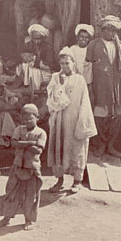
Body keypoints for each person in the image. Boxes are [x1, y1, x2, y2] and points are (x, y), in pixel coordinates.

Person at [46, 53, 97, 193]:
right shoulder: (55, 77)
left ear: (73, 63)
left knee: (77, 148)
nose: (65, 66)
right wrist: (60, 85)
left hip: (75, 120)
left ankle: (77, 181)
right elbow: (52, 99)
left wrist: (83, 122)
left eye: (67, 63)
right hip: (59, 120)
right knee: (59, 148)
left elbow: (84, 102)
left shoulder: (79, 80)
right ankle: (60, 180)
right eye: (62, 63)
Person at [84, 15, 121, 158]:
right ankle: (101, 145)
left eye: (114, 31)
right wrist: (89, 87)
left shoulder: (120, 45)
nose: (112, 33)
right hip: (100, 87)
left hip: (116, 87)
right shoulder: (93, 45)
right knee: (100, 116)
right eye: (109, 30)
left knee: (116, 116)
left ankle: (111, 145)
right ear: (102, 30)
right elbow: (87, 66)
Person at [0, 104, 46, 231]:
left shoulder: (41, 133)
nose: (28, 121)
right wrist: (30, 143)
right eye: (25, 118)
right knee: (11, 192)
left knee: (31, 195)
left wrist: (21, 144)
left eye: (31, 118)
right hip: (17, 166)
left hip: (32, 168)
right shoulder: (19, 129)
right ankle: (6, 217)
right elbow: (13, 143)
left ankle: (29, 219)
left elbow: (38, 150)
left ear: (37, 118)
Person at [21, 23, 57, 97]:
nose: (36, 41)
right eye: (34, 39)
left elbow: (50, 66)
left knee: (35, 71)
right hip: (31, 71)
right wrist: (23, 56)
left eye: (39, 39)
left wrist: (35, 61)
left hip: (45, 73)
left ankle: (35, 91)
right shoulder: (28, 45)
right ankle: (28, 86)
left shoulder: (48, 48)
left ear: (43, 38)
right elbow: (21, 56)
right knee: (25, 65)